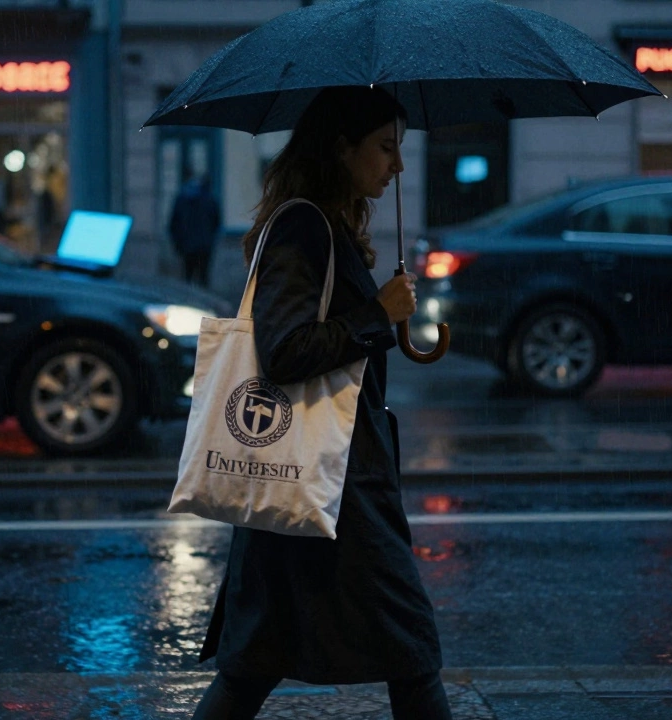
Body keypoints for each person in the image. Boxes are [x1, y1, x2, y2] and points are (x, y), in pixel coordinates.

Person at [190, 86, 451, 719]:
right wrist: (375, 314)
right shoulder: (304, 225)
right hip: (331, 480)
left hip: (316, 476)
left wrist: (380, 319)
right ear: (342, 148)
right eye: (386, 148)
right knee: (409, 647)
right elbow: (285, 351)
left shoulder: (325, 224)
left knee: (255, 658)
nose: (397, 166)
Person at [168, 174, 223, 286]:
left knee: (188, 276)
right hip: (204, 245)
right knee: (203, 277)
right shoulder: (209, 199)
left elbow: (173, 224)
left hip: (187, 245)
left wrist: (177, 243)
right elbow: (216, 222)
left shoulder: (182, 199)